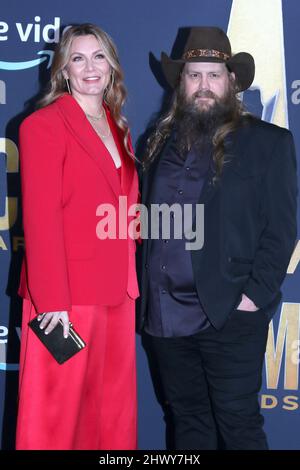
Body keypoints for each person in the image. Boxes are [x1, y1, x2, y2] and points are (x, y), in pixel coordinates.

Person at [137, 26, 298, 450]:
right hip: (166, 318)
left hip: (228, 314)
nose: (203, 85)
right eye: (194, 75)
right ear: (180, 84)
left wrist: (252, 298)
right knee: (188, 424)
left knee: (239, 426)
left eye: (213, 74)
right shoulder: (156, 143)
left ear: (231, 82)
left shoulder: (268, 142)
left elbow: (281, 229)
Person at [16, 23, 139, 450]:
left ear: (111, 67)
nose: (90, 67)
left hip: (118, 296)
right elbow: (41, 219)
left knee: (109, 418)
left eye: (99, 56)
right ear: (63, 70)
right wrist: (54, 304)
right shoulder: (43, 125)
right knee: (53, 421)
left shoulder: (117, 127)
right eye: (78, 58)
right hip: (66, 299)